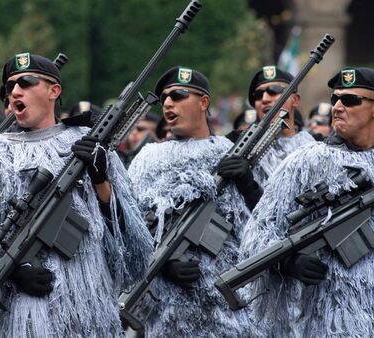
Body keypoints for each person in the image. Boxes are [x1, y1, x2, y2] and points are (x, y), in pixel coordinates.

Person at [0, 52, 153, 337]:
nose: (15, 91)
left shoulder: (89, 144)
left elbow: (135, 254)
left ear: (54, 91)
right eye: (9, 86)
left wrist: (101, 180)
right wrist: (8, 270)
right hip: (21, 318)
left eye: (26, 82)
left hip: (91, 317)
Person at [239, 67, 374, 336]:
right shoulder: (305, 162)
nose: (337, 107)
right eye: (335, 98)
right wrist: (288, 263)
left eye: (350, 100)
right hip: (328, 319)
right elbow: (258, 234)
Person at [127, 67, 254, 337]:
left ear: (203, 102)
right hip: (167, 312)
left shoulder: (230, 153)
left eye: (178, 95)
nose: (168, 103)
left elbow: (263, 227)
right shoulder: (148, 159)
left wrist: (249, 185)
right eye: (164, 99)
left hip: (227, 311)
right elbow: (130, 230)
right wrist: (164, 264)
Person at [245, 65, 315, 186]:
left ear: (295, 100)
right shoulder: (244, 149)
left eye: (274, 90)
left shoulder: (315, 148)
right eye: (258, 95)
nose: (264, 99)